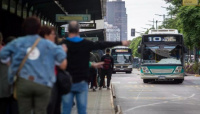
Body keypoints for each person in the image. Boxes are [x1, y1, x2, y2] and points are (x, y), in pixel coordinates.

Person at [0, 16, 67, 114]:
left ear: (24, 28)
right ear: (39, 29)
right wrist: (64, 51)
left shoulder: (17, 42)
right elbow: (62, 63)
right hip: (43, 84)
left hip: (24, 83)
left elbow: (3, 55)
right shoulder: (48, 45)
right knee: (41, 111)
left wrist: (11, 64)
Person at [61, 21, 129, 114]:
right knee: (82, 110)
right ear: (79, 30)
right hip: (82, 82)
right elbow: (102, 44)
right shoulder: (85, 44)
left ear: (68, 30)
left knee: (66, 110)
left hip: (66, 82)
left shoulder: (62, 44)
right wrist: (120, 42)